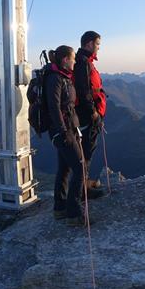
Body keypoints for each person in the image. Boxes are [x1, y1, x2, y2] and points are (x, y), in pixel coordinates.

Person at [45, 45, 86, 227]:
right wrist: (63, 132)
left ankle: (59, 208)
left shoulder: (62, 77)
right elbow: (54, 107)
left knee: (64, 169)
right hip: (63, 131)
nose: (75, 61)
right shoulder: (55, 79)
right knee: (80, 168)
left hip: (68, 128)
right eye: (73, 58)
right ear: (64, 60)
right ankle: (73, 214)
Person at [74, 31, 107, 192]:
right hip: (87, 115)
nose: (99, 48)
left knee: (88, 149)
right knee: (86, 150)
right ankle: (82, 190)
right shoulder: (82, 62)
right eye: (97, 44)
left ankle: (83, 185)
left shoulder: (85, 61)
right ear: (89, 44)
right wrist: (93, 112)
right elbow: (83, 90)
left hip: (88, 113)